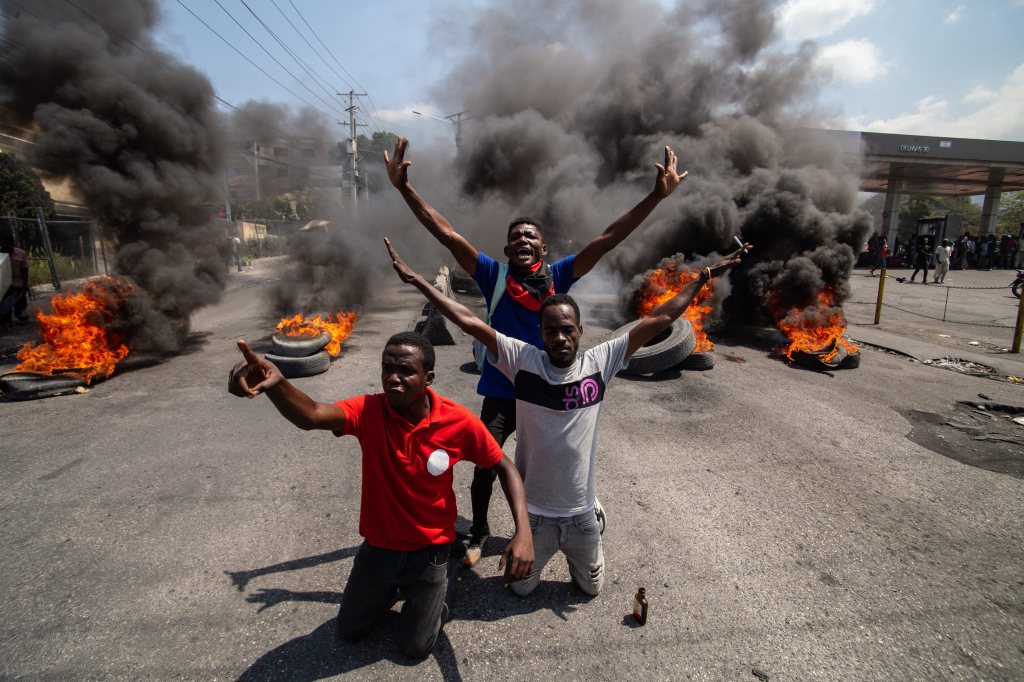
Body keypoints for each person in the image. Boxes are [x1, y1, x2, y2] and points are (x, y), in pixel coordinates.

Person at [384, 137, 688, 567]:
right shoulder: (493, 274)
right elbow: (447, 233)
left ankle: (579, 510)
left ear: (543, 250)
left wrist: (656, 196)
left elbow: (607, 239)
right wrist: (403, 189)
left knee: (561, 459)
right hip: (505, 390)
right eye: (515, 237)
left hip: (550, 390)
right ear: (508, 250)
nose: (523, 239)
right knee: (484, 463)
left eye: (531, 235)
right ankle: (481, 532)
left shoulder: (560, 276)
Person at [385, 236, 747, 598]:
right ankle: (537, 541)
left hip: (581, 515)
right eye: (551, 331)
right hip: (535, 517)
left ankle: (595, 518)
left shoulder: (600, 362)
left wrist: (704, 277)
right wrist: (418, 281)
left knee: (591, 589)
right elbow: (466, 319)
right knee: (520, 589)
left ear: (580, 332)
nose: (560, 337)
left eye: (567, 329)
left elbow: (663, 317)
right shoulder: (522, 360)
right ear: (540, 335)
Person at [228, 333, 534, 659]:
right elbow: (313, 415)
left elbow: (504, 465)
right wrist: (276, 384)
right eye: (386, 368)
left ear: (428, 378)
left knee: (415, 648)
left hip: (430, 551)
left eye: (404, 370)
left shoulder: (457, 421)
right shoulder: (369, 410)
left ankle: (448, 576)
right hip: (379, 549)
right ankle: (396, 587)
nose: (392, 377)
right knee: (350, 629)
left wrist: (524, 531)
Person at [0, 234, 30, 331]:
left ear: (11, 243)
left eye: (6, 243)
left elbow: (25, 269)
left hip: (18, 282)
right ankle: (6, 323)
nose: (4, 245)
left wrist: (25, 284)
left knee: (20, 302)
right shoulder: (1, 255)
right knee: (6, 304)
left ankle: (21, 316)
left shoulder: (21, 253)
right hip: (4, 283)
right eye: (2, 243)